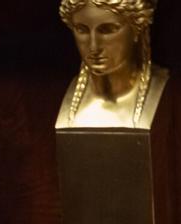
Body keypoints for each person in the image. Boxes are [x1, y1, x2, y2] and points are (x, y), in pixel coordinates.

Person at [56, 0, 168, 129]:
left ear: (137, 28)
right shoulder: (63, 98)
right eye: (82, 30)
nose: (94, 46)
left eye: (107, 30)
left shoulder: (165, 91)